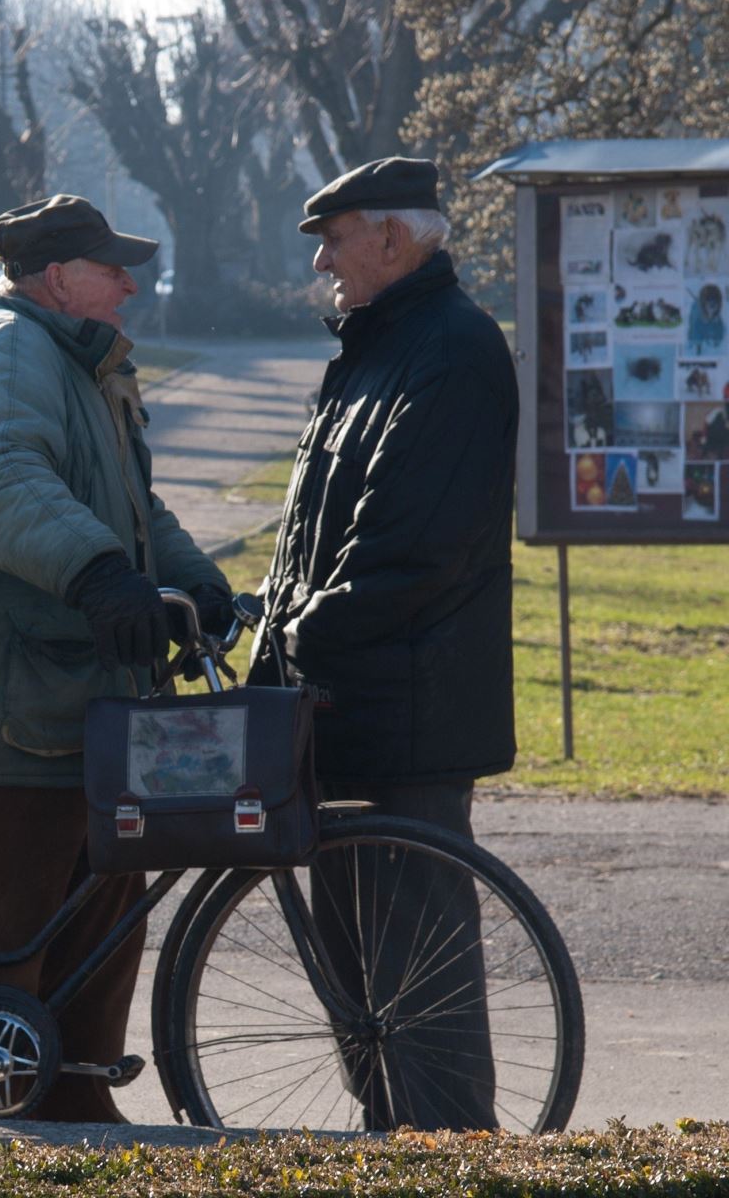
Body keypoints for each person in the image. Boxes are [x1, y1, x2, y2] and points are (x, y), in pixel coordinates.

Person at [0, 193, 232, 1122]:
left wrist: (200, 588)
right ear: (54, 278)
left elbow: (135, 510)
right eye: (111, 267)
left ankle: (78, 1109)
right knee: (1, 954)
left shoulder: (77, 362)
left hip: (77, 707)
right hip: (6, 714)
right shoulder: (4, 353)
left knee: (100, 924)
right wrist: (98, 579)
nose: (130, 283)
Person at [248, 157, 518, 1130]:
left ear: (394, 240)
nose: (322, 260)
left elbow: (410, 550)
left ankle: (448, 1159)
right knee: (359, 984)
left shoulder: (451, 351)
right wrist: (270, 623)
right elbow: (312, 531)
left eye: (335, 237)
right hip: (345, 711)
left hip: (411, 717)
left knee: (417, 989)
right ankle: (393, 1145)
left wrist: (295, 629)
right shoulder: (373, 349)